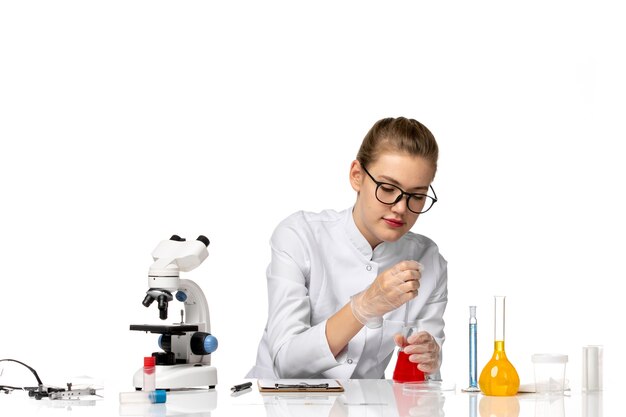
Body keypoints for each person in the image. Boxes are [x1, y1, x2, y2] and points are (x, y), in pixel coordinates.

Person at [247, 117, 447, 379]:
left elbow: (420, 382)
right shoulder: (300, 235)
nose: (400, 208)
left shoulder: (428, 259)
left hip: (364, 405)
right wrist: (363, 307)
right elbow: (285, 362)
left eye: (417, 196)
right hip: (279, 402)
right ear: (357, 176)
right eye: (387, 189)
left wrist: (430, 358)